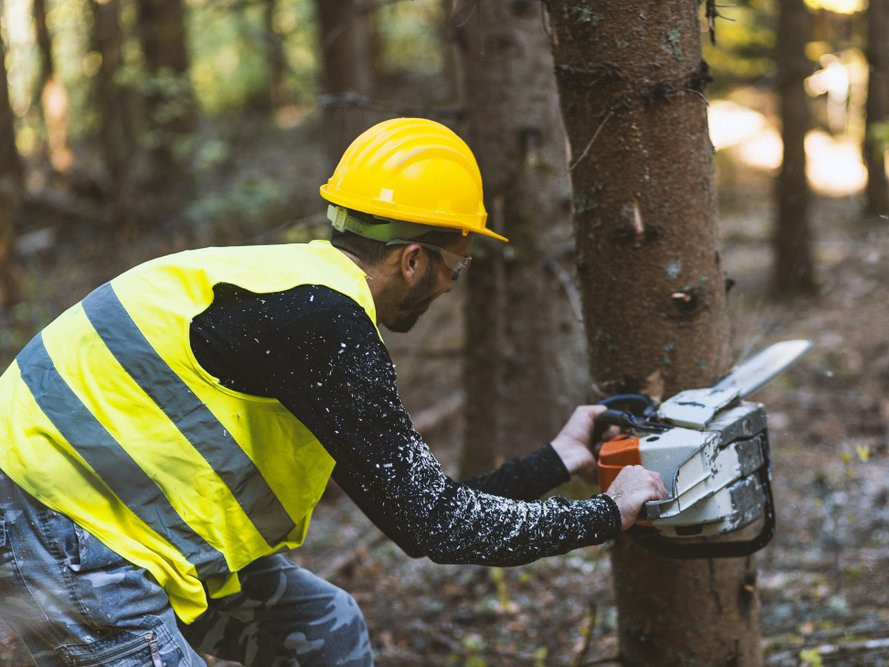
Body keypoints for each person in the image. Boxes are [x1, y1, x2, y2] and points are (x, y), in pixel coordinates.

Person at [0, 117, 667, 666]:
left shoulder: (294, 296)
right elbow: (434, 526)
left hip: (100, 526)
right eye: (453, 270)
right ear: (413, 259)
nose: (446, 287)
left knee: (324, 628)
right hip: (57, 534)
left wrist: (557, 461)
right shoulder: (324, 328)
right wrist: (606, 515)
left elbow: (421, 502)